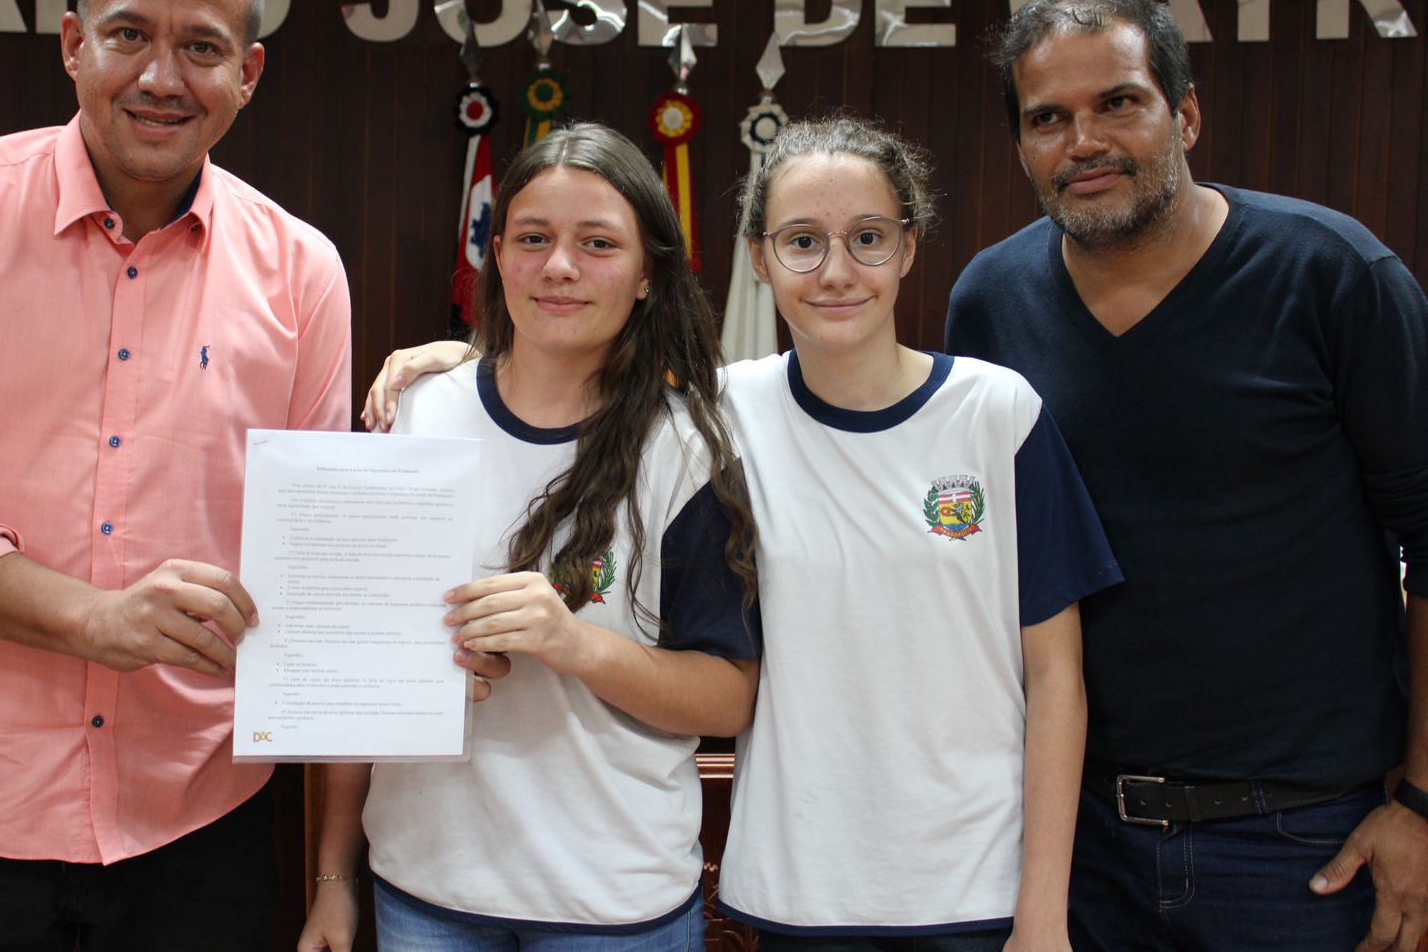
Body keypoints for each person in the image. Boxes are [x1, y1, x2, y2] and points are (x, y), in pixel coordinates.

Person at [0, 0, 502, 949]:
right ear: (73, 43)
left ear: (248, 72)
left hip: (197, 827)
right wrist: (91, 618)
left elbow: (318, 560)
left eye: (201, 47)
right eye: (129, 33)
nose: (161, 76)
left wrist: (491, 386)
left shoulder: (300, 271)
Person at [360, 115, 1120, 950]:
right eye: (802, 242)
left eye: (868, 238)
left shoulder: (995, 412)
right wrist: (455, 362)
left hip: (979, 884)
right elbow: (560, 373)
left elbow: (1057, 676)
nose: (836, 271)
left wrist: (1044, 911)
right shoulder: (719, 416)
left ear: (909, 246)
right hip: (798, 887)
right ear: (759, 257)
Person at [945, 0, 1428, 952]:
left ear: (1187, 115)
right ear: (1021, 145)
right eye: (1048, 118)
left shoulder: (1334, 275)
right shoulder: (990, 301)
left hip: (1300, 846)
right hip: (1069, 838)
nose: (1084, 140)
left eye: (1118, 102)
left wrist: (1421, 801)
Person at [299, 123, 762, 952]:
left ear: (648, 274)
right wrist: (334, 877)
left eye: (598, 243)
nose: (559, 266)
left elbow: (729, 697)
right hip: (424, 888)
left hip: (615, 905)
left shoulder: (687, 449)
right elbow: (352, 667)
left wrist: (573, 644)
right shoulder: (417, 410)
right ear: (498, 257)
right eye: (534, 239)